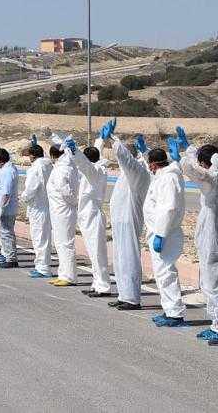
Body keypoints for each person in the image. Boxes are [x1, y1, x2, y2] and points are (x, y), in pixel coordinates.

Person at [175, 127, 218, 344]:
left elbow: (198, 173)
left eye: (202, 161)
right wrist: (188, 147)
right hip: (210, 232)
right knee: (208, 281)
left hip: (213, 234)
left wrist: (183, 159)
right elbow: (202, 167)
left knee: (214, 281)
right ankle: (217, 323)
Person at [143, 138, 187, 327]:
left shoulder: (168, 178)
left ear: (153, 165)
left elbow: (168, 208)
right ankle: (169, 309)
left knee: (165, 272)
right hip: (162, 231)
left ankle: (174, 313)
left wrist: (160, 233)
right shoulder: (167, 174)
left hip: (165, 232)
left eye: (149, 165)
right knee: (162, 272)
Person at [71, 120, 116, 297]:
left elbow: (85, 163)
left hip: (92, 215)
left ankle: (103, 286)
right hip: (87, 215)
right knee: (93, 252)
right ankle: (97, 283)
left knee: (97, 254)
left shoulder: (94, 171)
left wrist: (75, 152)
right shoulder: (95, 168)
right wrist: (101, 139)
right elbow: (92, 156)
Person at [107, 133, 151, 310]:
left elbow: (125, 160)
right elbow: (124, 161)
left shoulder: (138, 171)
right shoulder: (128, 171)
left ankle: (132, 298)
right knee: (119, 259)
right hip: (120, 221)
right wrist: (113, 140)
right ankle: (124, 294)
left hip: (129, 219)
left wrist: (115, 142)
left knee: (129, 257)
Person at [47, 135, 80, 287]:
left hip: (63, 210)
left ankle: (69, 276)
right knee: (60, 243)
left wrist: (73, 203)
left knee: (65, 243)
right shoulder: (62, 167)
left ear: (54, 156)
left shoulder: (62, 169)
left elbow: (65, 191)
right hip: (59, 210)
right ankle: (63, 273)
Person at [21, 136, 54, 278]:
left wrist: (22, 198)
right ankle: (43, 266)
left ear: (32, 156)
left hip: (38, 207)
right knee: (45, 238)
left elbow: (31, 189)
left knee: (39, 238)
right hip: (48, 205)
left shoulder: (35, 168)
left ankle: (43, 268)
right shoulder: (49, 165)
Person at [0, 147, 19, 268]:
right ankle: (9, 256)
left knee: (6, 234)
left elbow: (6, 193)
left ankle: (11, 258)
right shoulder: (9, 169)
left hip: (5, 209)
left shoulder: (7, 172)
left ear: (0, 160)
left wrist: (0, 209)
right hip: (6, 208)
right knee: (7, 234)